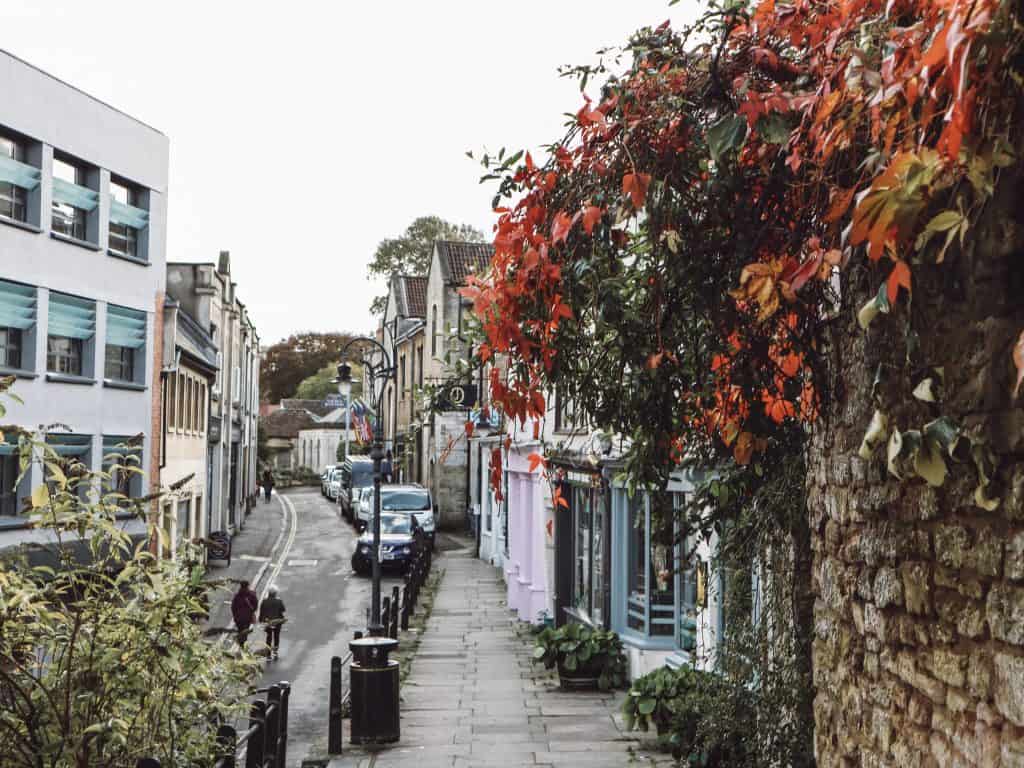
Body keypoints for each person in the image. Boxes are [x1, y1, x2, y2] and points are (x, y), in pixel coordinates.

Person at [259, 585, 287, 660]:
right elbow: (283, 610)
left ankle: (268, 654)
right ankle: (275, 652)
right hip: (277, 621)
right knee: (276, 636)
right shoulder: (279, 601)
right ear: (275, 593)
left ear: (268, 592)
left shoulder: (264, 601)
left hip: (268, 622)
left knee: (269, 637)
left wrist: (261, 620)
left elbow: (262, 612)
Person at [231, 580, 259, 648]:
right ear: (247, 586)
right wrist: (251, 611)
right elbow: (255, 606)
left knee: (240, 630)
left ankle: (241, 644)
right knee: (245, 631)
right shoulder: (252, 595)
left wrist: (235, 615)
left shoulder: (237, 596)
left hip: (238, 618)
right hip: (247, 618)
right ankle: (243, 645)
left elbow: (233, 607)